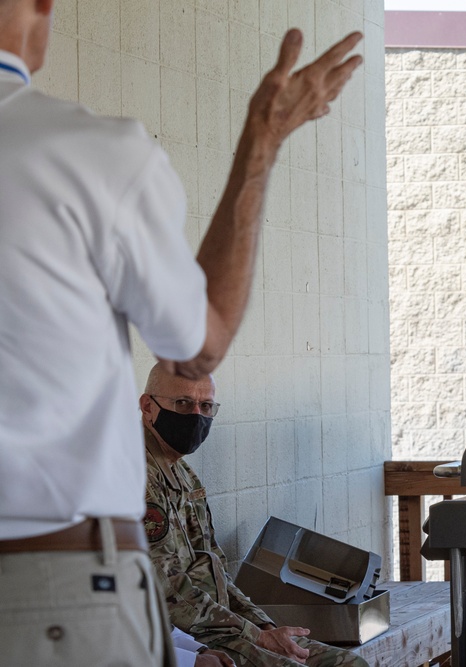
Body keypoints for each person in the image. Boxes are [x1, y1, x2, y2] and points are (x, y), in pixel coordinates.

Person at [0, 0, 363, 661]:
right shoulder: (84, 153)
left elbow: (214, 573)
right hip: (44, 584)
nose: (195, 409)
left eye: (203, 406)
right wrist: (263, 141)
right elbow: (198, 345)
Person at [142, 364, 367, 667]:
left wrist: (265, 627)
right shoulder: (137, 474)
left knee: (349, 664)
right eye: (182, 403)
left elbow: (216, 568)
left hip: (223, 628)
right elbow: (165, 590)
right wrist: (256, 636)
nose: (196, 415)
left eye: (206, 406)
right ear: (147, 406)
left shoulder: (183, 475)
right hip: (183, 640)